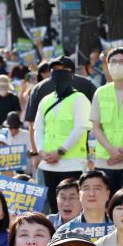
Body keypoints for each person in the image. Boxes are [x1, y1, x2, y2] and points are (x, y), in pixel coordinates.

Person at [33, 57, 92, 213]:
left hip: (73, 164)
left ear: (72, 74)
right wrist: (41, 151)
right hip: (48, 165)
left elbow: (80, 128)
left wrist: (60, 152)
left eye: (62, 70)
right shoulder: (46, 100)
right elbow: (38, 128)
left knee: (74, 208)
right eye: (54, 71)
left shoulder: (79, 99)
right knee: (53, 209)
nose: (57, 74)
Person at [91, 47, 123, 193]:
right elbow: (95, 126)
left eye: (122, 62)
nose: (117, 65)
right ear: (107, 65)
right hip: (105, 159)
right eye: (113, 62)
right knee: (106, 205)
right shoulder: (101, 92)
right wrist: (111, 150)